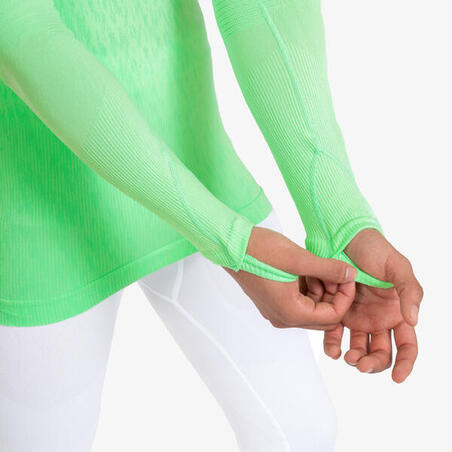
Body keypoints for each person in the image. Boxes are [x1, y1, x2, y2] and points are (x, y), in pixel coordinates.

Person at [0, 0, 423, 451]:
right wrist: (230, 242)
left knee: (302, 433)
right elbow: (21, 33)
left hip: (199, 165)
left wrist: (339, 218)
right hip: (37, 211)